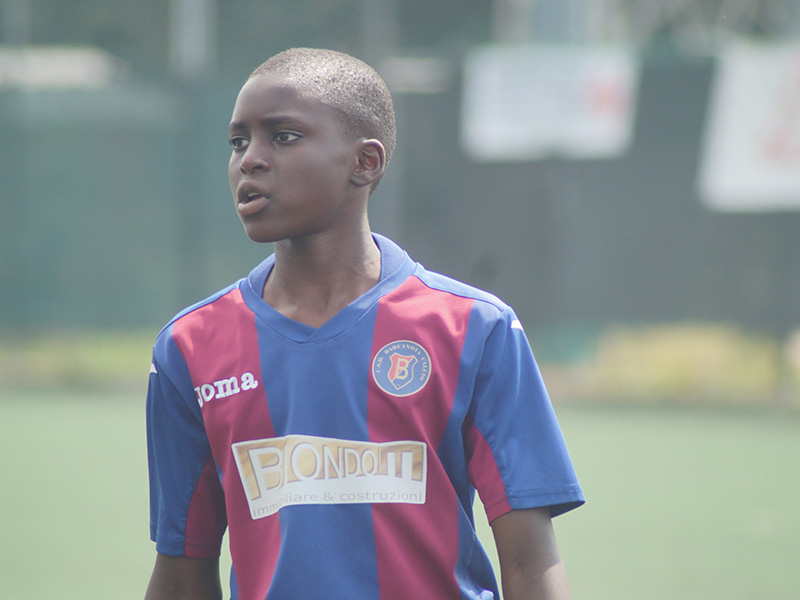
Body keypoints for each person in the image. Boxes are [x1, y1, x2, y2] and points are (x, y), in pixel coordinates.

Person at [144, 47, 584, 600]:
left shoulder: (474, 327)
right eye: (238, 142)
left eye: (283, 136)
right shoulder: (189, 346)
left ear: (365, 163)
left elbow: (529, 561)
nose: (249, 160)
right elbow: (181, 572)